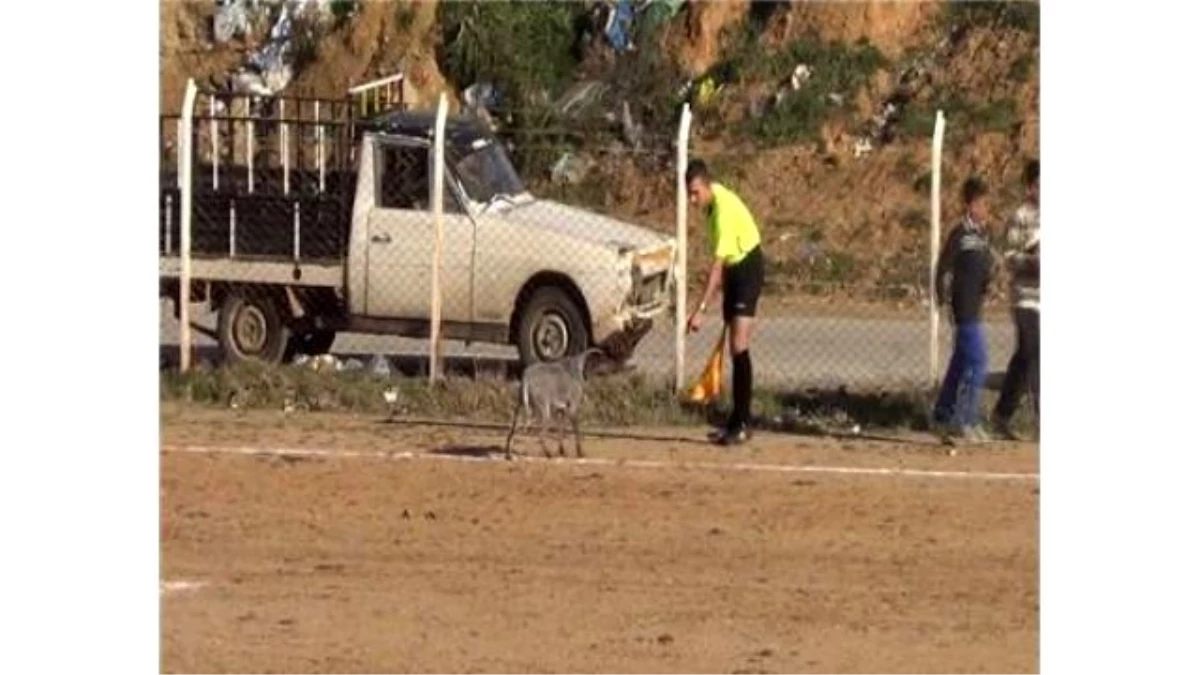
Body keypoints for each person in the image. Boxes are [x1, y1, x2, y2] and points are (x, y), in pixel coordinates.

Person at [684, 159, 766, 446]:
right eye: (689, 194)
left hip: (747, 269)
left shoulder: (722, 213)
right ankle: (736, 420)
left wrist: (699, 311)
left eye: (695, 192)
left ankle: (743, 422)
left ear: (707, 186)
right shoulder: (712, 202)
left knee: (739, 346)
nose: (692, 200)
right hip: (734, 269)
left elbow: (716, 270)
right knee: (734, 345)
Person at [932, 176, 995, 443]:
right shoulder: (959, 234)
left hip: (975, 307)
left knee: (960, 363)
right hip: (963, 308)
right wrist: (941, 296)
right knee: (978, 361)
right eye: (981, 204)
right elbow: (943, 267)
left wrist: (989, 285)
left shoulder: (982, 237)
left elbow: (984, 270)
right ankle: (966, 420)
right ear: (970, 205)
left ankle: (942, 415)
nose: (985, 209)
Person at [992, 160, 1040, 439]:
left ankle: (1002, 414)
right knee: (1035, 350)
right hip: (1026, 298)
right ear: (1030, 187)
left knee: (1025, 356)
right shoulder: (1020, 217)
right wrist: (1032, 261)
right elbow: (1009, 257)